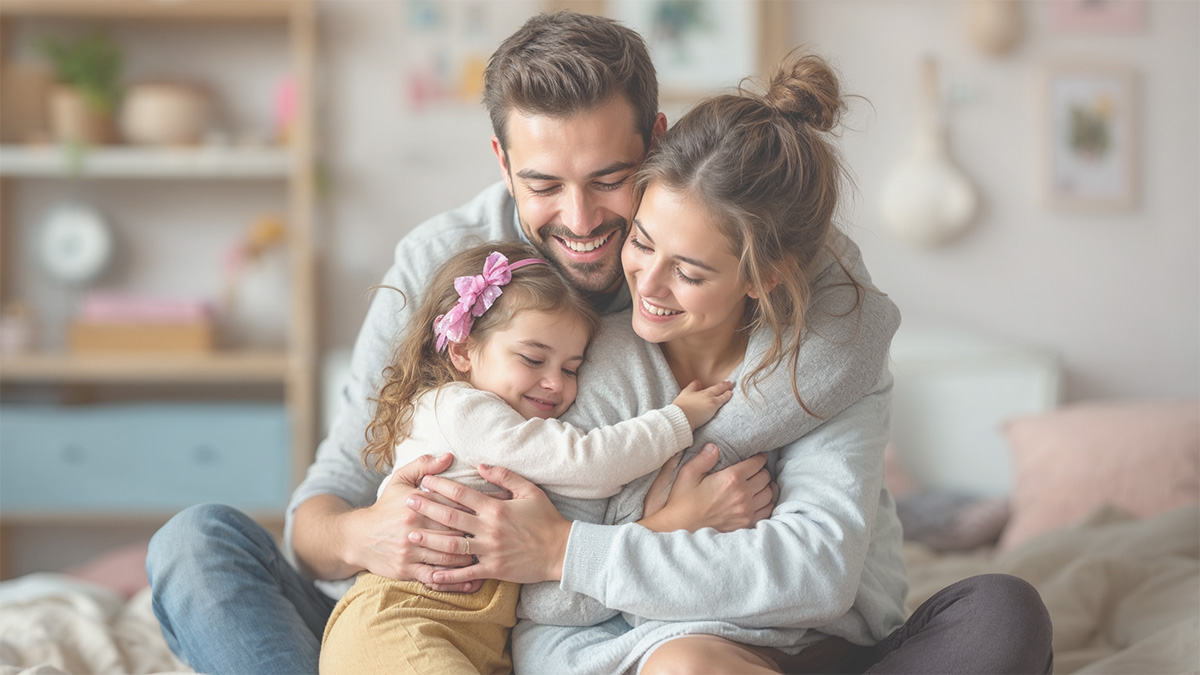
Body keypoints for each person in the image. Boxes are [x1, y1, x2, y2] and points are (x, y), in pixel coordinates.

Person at [145, 12, 885, 674]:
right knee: (194, 544)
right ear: (501, 162)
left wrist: (645, 514)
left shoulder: (709, 246)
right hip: (417, 603)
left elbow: (847, 326)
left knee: (987, 617)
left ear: (654, 144)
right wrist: (369, 534)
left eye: (610, 179)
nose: (583, 218)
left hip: (570, 618)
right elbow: (319, 510)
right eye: (543, 185)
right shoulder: (444, 260)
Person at [403, 54, 1055, 674]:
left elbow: (819, 575)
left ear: (763, 277)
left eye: (688, 271)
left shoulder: (827, 363)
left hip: (829, 650)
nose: (647, 285)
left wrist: (577, 552)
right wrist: (662, 529)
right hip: (662, 648)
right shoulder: (587, 368)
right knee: (690, 665)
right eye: (643, 241)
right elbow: (547, 599)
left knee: (1002, 611)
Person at [318, 242, 735, 674]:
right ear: (462, 350)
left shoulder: (492, 417)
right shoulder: (461, 409)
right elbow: (585, 464)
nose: (555, 383)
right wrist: (676, 420)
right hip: (404, 619)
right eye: (533, 359)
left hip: (477, 637)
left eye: (571, 368)